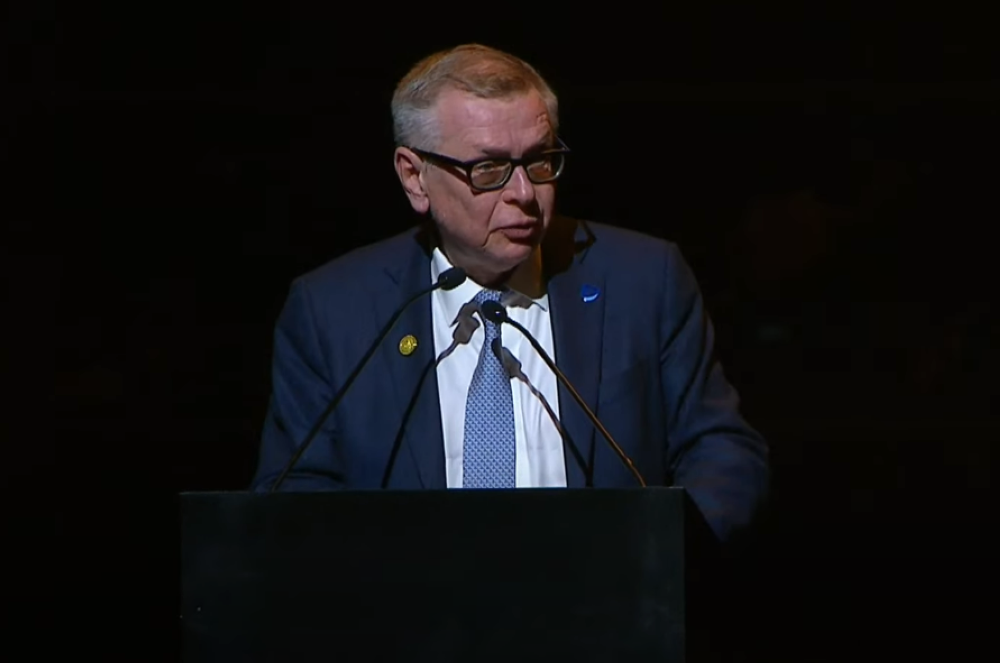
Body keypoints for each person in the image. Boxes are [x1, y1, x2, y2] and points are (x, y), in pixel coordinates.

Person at [250, 43, 768, 544]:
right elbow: (294, 495)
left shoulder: (643, 280)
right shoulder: (333, 311)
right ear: (415, 177)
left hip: (607, 596)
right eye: (489, 169)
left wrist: (658, 557)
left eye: (540, 161)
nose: (524, 194)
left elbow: (721, 451)